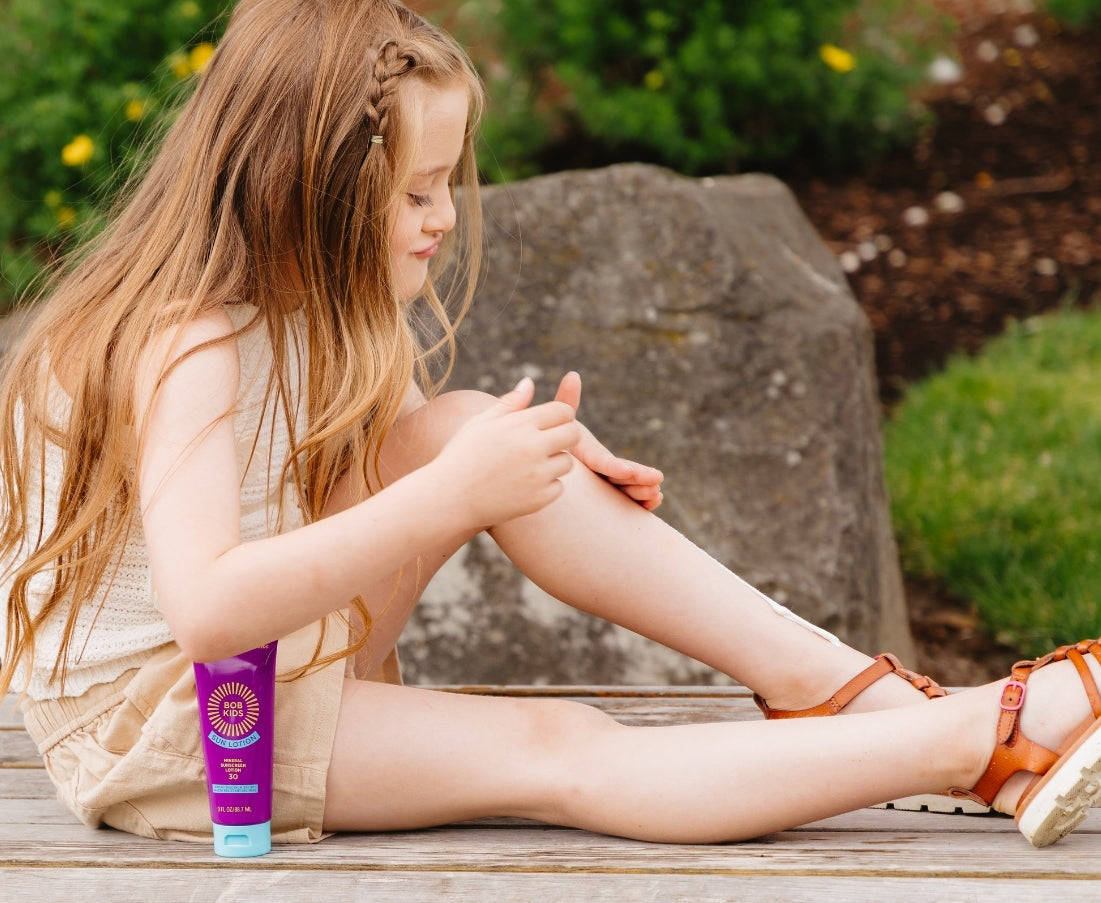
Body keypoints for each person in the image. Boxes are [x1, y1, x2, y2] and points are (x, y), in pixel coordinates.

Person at [1, 0, 1100, 852]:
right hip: (172, 729)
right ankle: (977, 735)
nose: (442, 218)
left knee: (470, 425)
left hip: (254, 663)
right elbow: (204, 612)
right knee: (556, 745)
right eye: (417, 191)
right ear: (311, 191)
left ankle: (840, 693)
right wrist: (453, 497)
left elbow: (377, 471)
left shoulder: (315, 306)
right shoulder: (190, 340)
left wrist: (522, 470)